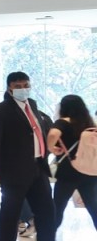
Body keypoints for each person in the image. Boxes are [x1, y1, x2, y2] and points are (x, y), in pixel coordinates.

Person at [0, 71, 72, 241]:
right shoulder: (1, 110)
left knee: (47, 214)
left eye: (26, 84)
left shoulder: (32, 105)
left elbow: (39, 132)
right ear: (9, 88)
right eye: (18, 85)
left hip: (38, 169)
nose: (23, 88)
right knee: (10, 216)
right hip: (13, 171)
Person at [47, 94, 97, 232]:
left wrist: (51, 147)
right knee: (93, 208)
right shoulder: (89, 124)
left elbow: (52, 134)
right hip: (90, 172)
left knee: (58, 208)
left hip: (68, 173)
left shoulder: (63, 122)